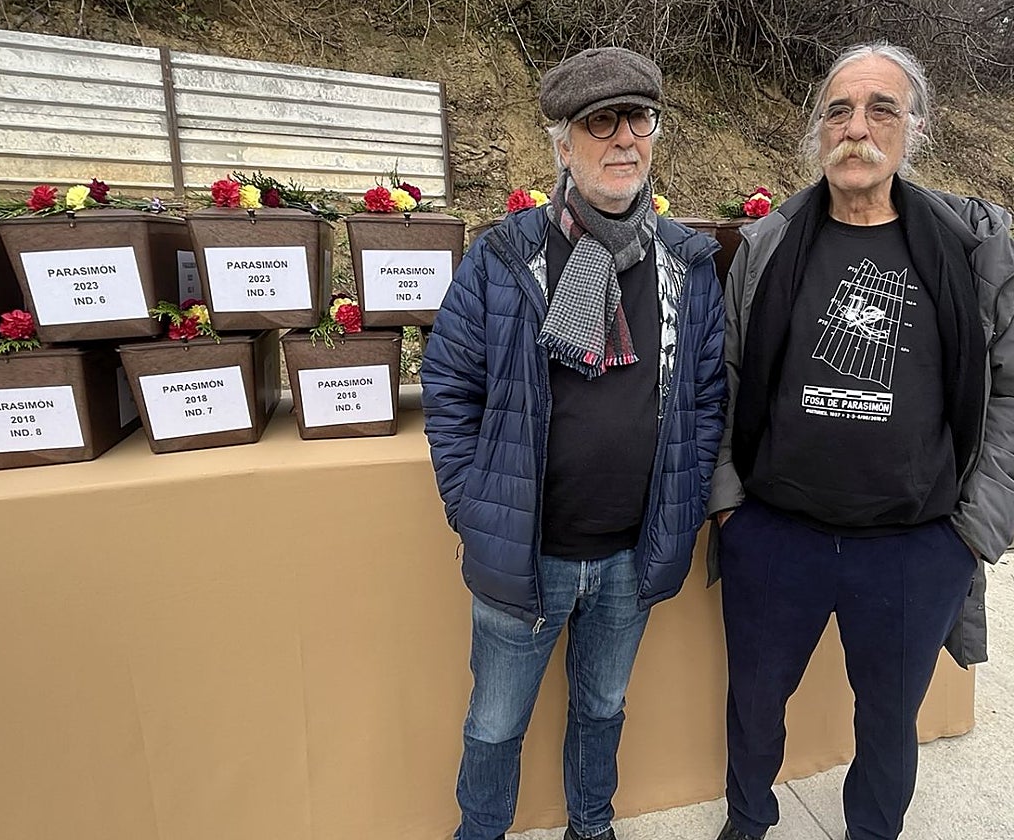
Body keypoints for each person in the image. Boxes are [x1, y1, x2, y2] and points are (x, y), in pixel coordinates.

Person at [708, 42, 1014, 840]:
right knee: (753, 708)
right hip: (776, 536)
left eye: (882, 108)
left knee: (888, 727)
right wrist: (731, 507)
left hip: (917, 545)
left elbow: (1011, 391)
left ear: (916, 129)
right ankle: (747, 823)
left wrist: (974, 527)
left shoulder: (974, 251)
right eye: (839, 110)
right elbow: (725, 376)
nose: (858, 128)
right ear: (818, 133)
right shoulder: (770, 245)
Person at [421, 46, 726, 840]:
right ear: (562, 142)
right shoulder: (503, 257)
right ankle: (480, 833)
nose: (626, 139)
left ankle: (591, 826)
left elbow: (704, 401)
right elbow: (449, 390)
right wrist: (472, 502)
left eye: (641, 119)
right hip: (525, 556)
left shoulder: (687, 265)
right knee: (494, 724)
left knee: (602, 710)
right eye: (601, 121)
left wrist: (683, 509)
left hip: (630, 556)